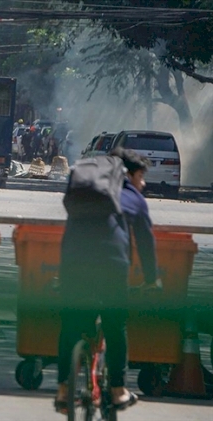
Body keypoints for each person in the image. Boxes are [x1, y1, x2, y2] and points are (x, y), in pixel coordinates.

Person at [54, 147, 158, 414]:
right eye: (142, 176)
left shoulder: (86, 188)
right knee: (115, 324)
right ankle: (118, 390)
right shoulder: (132, 197)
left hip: (73, 261)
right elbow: (145, 242)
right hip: (112, 265)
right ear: (129, 174)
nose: (143, 183)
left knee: (72, 323)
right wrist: (150, 280)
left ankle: (64, 390)